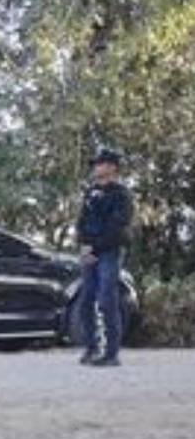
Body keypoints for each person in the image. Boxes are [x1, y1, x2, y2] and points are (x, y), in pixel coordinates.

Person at [76, 149, 133, 367]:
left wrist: (95, 249)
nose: (95, 168)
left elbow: (117, 228)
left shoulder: (122, 195)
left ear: (111, 167)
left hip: (109, 252)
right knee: (85, 301)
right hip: (88, 252)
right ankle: (92, 349)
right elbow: (81, 223)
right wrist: (83, 247)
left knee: (106, 300)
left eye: (99, 164)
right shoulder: (89, 193)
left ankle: (111, 354)